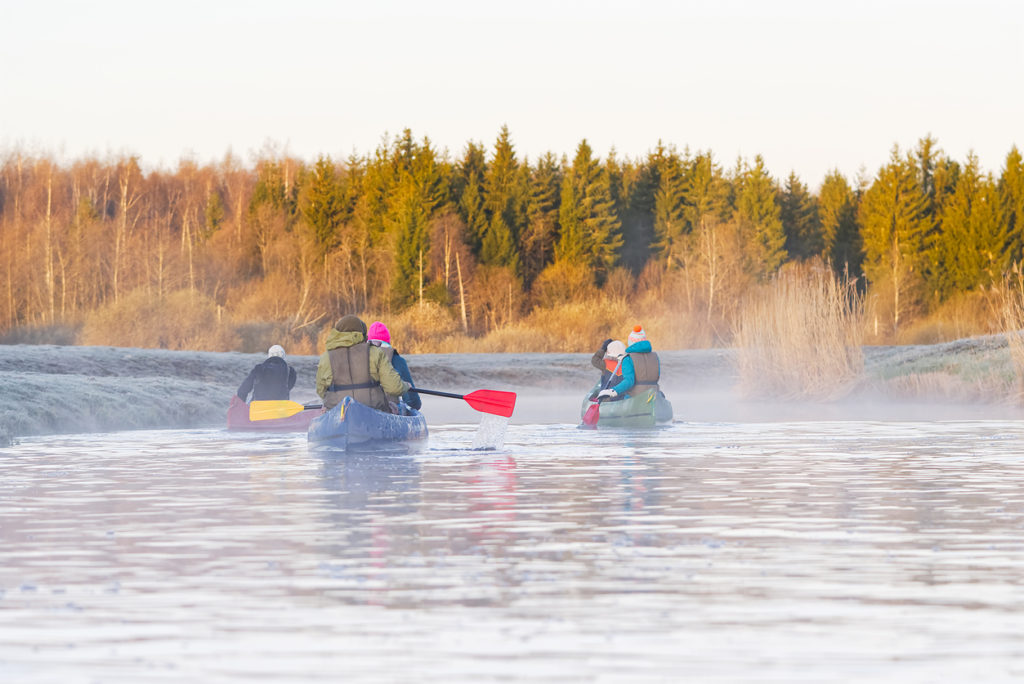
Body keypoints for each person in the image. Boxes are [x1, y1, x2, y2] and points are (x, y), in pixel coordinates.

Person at [315, 315, 410, 412]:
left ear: (336, 334)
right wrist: (406, 386)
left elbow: (321, 391)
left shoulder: (326, 357)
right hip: (373, 410)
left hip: (337, 411)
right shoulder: (375, 352)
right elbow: (394, 388)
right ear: (362, 334)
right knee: (394, 408)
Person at [367, 321, 422, 410]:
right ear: (388, 341)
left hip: (365, 406)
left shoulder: (360, 358)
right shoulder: (397, 360)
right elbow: (413, 403)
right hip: (389, 410)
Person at [596, 324, 661, 400]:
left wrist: (613, 391)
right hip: (654, 394)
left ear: (630, 342)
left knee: (622, 396)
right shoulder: (655, 356)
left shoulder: (627, 358)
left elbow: (629, 381)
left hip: (635, 396)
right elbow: (656, 377)